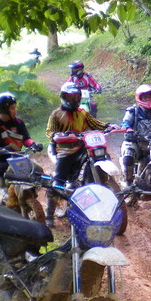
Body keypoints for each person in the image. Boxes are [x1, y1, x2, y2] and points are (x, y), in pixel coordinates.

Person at [44, 82, 110, 226]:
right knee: (58, 181)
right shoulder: (56, 114)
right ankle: (49, 214)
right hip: (64, 149)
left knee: (101, 156)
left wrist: (109, 126)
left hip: (82, 147)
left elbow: (96, 123)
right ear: (63, 97)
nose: (73, 100)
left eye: (76, 97)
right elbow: (50, 132)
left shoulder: (82, 113)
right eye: (70, 97)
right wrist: (57, 135)